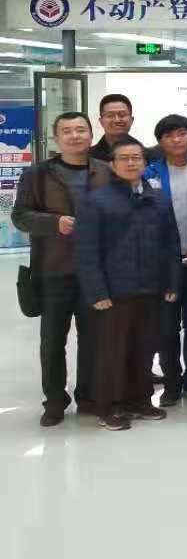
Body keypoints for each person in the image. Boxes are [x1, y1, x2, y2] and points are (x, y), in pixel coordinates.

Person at [72, 135, 179, 430]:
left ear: (145, 163)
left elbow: (171, 244)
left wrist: (172, 282)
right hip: (113, 291)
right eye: (124, 158)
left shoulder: (158, 199)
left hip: (151, 288)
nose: (131, 163)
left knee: (144, 348)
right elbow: (86, 250)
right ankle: (108, 406)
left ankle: (140, 400)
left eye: (137, 158)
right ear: (111, 164)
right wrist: (96, 291)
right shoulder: (96, 201)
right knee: (111, 351)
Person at [16, 112, 111, 424]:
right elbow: (20, 216)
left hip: (95, 272)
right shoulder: (37, 174)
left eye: (80, 130)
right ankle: (55, 401)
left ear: (90, 134)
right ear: (56, 138)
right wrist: (53, 223)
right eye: (67, 131)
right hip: (54, 270)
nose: (74, 136)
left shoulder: (105, 171)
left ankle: (89, 396)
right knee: (53, 341)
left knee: (94, 339)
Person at [143, 113, 187, 406]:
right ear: (160, 141)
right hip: (163, 264)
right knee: (166, 327)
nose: (176, 139)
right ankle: (171, 383)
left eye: (182, 133)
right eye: (169, 135)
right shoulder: (149, 174)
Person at [91, 94, 149, 162]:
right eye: (110, 115)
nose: (117, 120)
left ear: (131, 120)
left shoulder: (148, 156)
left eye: (122, 115)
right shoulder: (88, 157)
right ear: (101, 122)